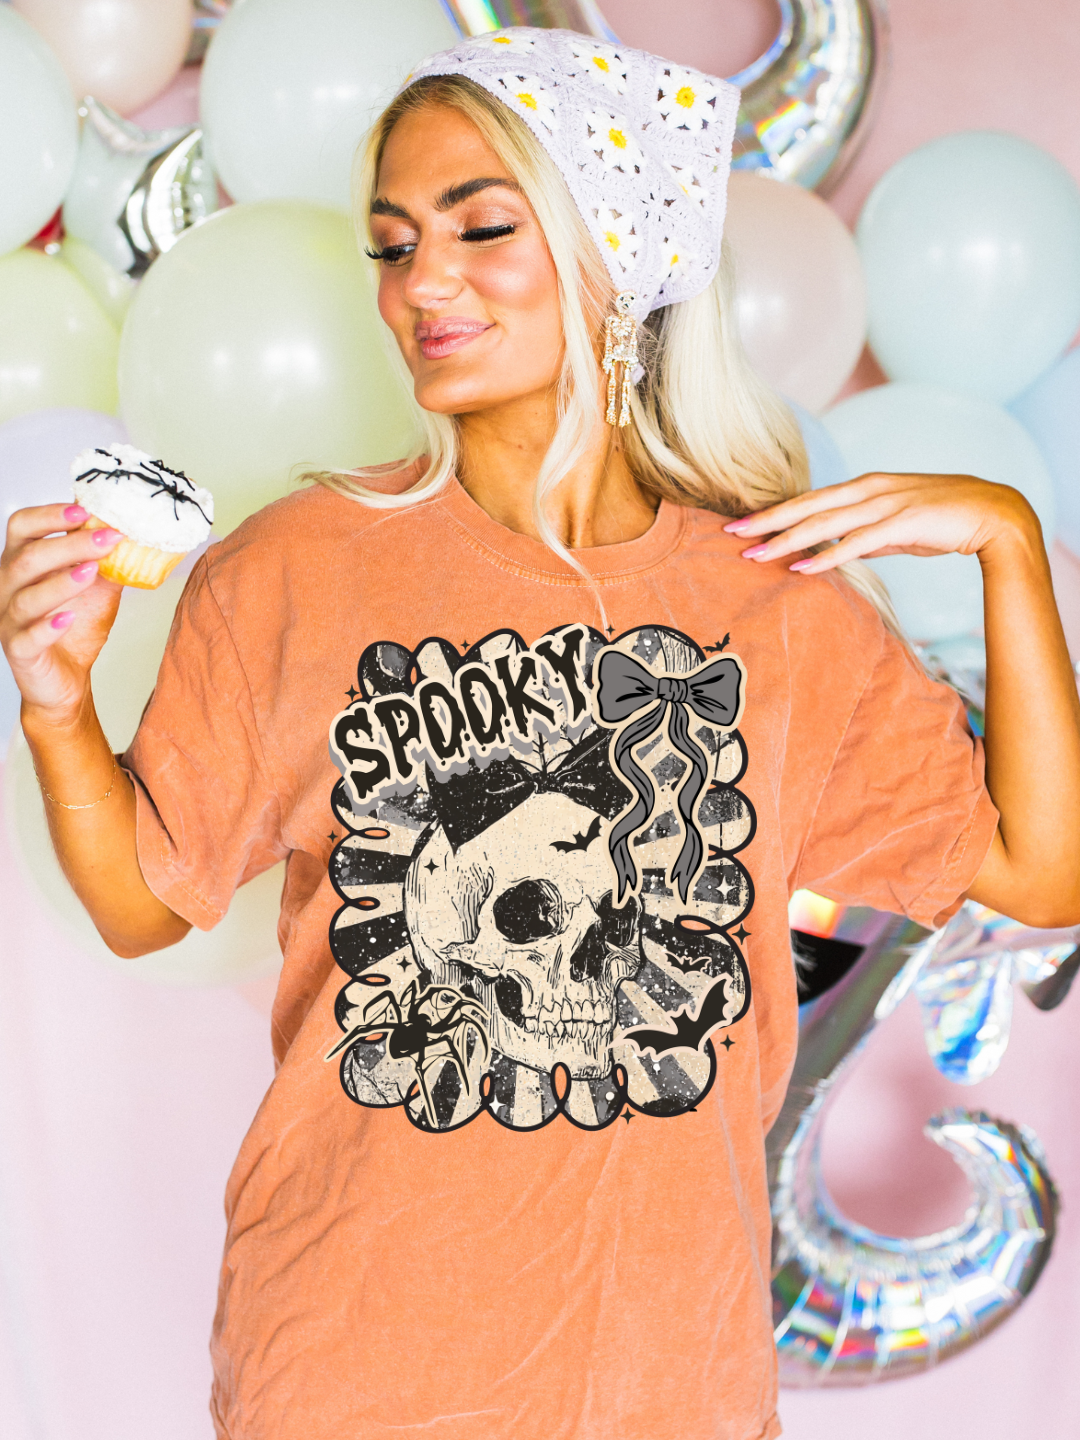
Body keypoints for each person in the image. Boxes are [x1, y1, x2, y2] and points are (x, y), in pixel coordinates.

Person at [2, 27, 1079, 1440]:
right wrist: (58, 705)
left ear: (614, 249)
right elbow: (145, 903)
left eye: (481, 228)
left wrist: (1009, 549)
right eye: (392, 245)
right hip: (348, 1369)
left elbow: (1044, 876)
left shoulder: (783, 612)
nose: (421, 284)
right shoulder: (295, 566)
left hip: (667, 1386)